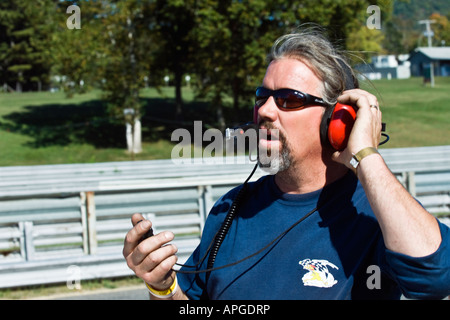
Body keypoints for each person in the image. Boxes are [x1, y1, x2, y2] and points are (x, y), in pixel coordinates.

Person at [123, 27, 450, 300]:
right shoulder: (230, 209)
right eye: (262, 96)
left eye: (288, 99)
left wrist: (365, 154)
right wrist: (162, 287)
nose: (264, 111)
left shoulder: (373, 213)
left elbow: (434, 276)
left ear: (336, 121)